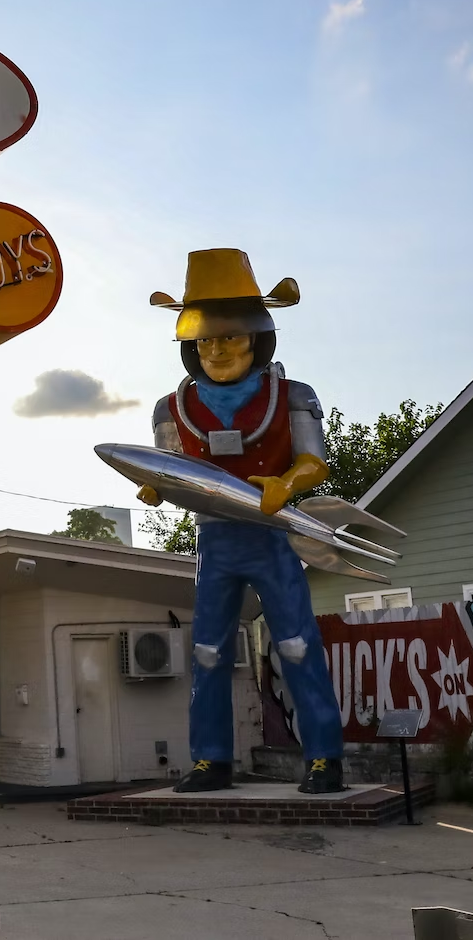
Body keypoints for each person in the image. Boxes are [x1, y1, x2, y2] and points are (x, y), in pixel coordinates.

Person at [137, 248, 346, 795]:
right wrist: (157, 486)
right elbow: (171, 467)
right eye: (207, 339)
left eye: (230, 337)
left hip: (273, 538)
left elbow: (313, 459)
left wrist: (288, 485)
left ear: (257, 338)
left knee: (297, 644)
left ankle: (324, 756)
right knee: (206, 652)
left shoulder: (291, 396)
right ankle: (211, 760)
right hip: (215, 542)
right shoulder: (172, 408)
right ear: (190, 344)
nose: (218, 348)